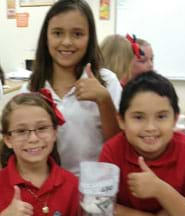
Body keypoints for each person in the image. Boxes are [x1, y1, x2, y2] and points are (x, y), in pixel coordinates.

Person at [25, 0, 122, 176]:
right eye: (57, 33)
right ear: (46, 37)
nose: (67, 42)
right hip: (49, 187)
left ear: (90, 38)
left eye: (77, 34)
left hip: (95, 186)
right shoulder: (32, 88)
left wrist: (104, 100)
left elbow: (120, 144)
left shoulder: (106, 81)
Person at [99, 70, 185, 216]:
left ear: (175, 119)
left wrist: (160, 189)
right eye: (139, 117)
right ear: (121, 120)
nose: (150, 128)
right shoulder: (113, 150)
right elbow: (101, 206)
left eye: (161, 117)